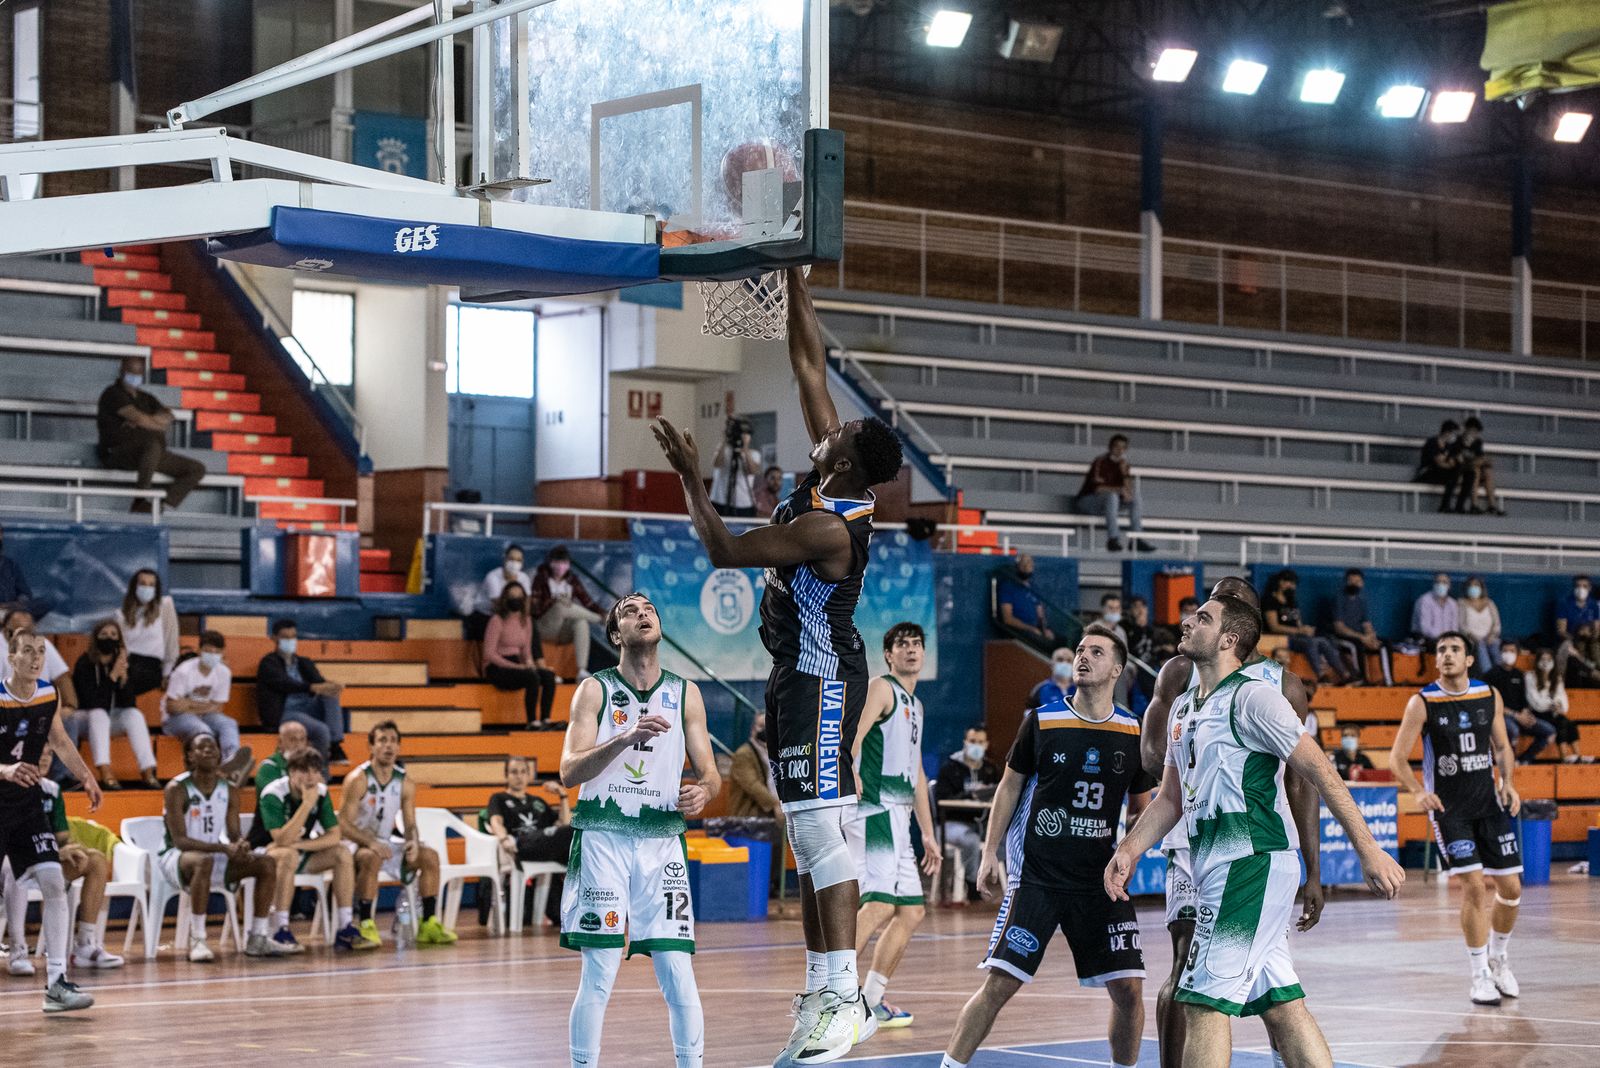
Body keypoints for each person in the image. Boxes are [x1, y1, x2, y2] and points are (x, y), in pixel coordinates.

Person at [651, 268, 905, 1064]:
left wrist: (691, 478)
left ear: (849, 464)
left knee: (827, 840)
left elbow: (725, 547)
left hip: (829, 680)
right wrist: (795, 280)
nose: (825, 428)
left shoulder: (833, 527)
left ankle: (846, 998)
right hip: (797, 676)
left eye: (839, 431)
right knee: (808, 831)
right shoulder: (833, 468)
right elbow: (808, 365)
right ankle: (824, 992)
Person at [1108, 597, 1404, 1067]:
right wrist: (1130, 848)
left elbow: (1321, 772)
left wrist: (1368, 849)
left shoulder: (1255, 698)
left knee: (1202, 1004)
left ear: (1229, 640)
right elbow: (1170, 800)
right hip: (1217, 866)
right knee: (1282, 1006)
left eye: (1202, 618)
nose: (1188, 621)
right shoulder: (1184, 706)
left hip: (1252, 861)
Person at [940, 625, 1154, 1068]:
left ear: (1117, 668)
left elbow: (1143, 807)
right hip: (1038, 875)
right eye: (1079, 649)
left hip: (1098, 881)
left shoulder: (1133, 732)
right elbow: (1009, 785)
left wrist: (1130, 850)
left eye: (1096, 652)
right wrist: (990, 852)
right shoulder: (1042, 720)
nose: (1082, 657)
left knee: (1130, 988)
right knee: (1000, 983)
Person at [1137, 577, 1323, 1068]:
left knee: (1210, 993)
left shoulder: (1278, 687)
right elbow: (1157, 761)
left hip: (1249, 846)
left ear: (1243, 627)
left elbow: (1307, 780)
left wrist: (1315, 870)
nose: (1210, 612)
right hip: (1191, 837)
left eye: (1231, 605)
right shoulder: (1180, 674)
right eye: (1213, 602)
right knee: (1192, 969)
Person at [558, 593, 720, 1068]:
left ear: (660, 627)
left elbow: (710, 772)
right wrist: (625, 738)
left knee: (677, 969)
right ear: (615, 635)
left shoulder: (686, 692)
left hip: (661, 842)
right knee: (600, 970)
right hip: (603, 837)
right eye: (629, 611)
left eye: (648, 609)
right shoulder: (594, 690)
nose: (642, 614)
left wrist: (704, 792)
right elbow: (569, 772)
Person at [1388, 632, 1521, 1005]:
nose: (1446, 655)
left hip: (1489, 805)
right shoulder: (1422, 702)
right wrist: (1417, 791)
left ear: (1469, 660)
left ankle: (1499, 959)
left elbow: (1502, 747)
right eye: (1441, 650)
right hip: (1451, 811)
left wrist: (1508, 782)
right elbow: (1397, 758)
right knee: (1475, 887)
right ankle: (1478, 975)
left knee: (1511, 889)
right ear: (1436, 661)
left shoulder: (1488, 694)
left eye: (1454, 650)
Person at [0, 627, 102, 1011]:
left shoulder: (47, 693)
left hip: (26, 807)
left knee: (54, 882)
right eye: (27, 651)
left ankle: (56, 983)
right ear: (12, 659)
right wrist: (6, 770)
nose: (36, 657)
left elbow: (58, 740)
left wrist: (86, 775)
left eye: (40, 651)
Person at [847, 623, 940, 1030]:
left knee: (912, 912)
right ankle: (831, 996)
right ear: (888, 654)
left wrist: (929, 833)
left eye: (917, 644)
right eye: (902, 644)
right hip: (874, 808)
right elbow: (851, 734)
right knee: (881, 903)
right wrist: (849, 766)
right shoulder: (880, 688)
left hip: (900, 816)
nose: (911, 650)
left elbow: (917, 773)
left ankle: (871, 999)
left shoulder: (916, 706)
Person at [160, 733, 294, 960]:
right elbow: (180, 840)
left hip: (212, 857)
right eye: (201, 748)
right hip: (176, 859)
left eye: (213, 747)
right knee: (203, 861)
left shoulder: (229, 789)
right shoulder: (177, 788)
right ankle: (199, 939)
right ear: (190, 756)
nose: (209, 751)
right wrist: (224, 849)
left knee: (266, 863)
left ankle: (258, 937)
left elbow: (233, 834)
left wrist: (240, 846)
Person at [339, 721, 456, 947]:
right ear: (371, 747)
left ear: (399, 748)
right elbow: (343, 824)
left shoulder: (405, 782)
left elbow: (410, 823)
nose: (388, 746)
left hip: (385, 842)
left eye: (393, 741)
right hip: (355, 844)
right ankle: (366, 925)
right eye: (382, 741)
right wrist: (370, 842)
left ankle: (428, 923)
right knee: (371, 856)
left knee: (429, 856)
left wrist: (412, 841)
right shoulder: (358, 779)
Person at [3, 753, 123, 973]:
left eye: (49, 753)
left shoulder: (52, 789)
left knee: (95, 859)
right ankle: (18, 952)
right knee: (14, 867)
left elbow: (61, 837)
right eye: (39, 752)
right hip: (13, 861)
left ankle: (85, 945)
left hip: (44, 858)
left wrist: (67, 850)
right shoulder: (9, 785)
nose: (45, 757)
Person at [248, 746, 364, 951]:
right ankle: (281, 929)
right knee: (288, 855)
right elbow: (281, 838)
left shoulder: (321, 792)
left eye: (315, 771)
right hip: (262, 854)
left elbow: (334, 835)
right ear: (292, 772)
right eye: (304, 771)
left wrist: (300, 844)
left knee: (342, 853)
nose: (310, 777)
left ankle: (345, 926)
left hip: (296, 850)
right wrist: (306, 805)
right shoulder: (273, 793)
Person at [96, 356, 207, 512]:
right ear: (121, 372)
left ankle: (161, 506)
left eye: (139, 374)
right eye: (131, 373)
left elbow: (168, 416)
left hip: (149, 454)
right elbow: (140, 418)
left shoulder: (146, 398)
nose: (135, 378)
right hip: (117, 453)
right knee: (152, 442)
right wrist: (151, 423)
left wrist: (147, 421)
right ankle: (140, 500)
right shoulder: (112, 394)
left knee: (196, 469)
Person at [66, 619, 159, 791]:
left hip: (110, 719)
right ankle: (104, 770)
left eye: (113, 635)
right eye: (104, 634)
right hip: (84, 719)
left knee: (134, 715)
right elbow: (91, 701)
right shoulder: (85, 663)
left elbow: (129, 703)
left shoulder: (123, 663)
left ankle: (147, 771)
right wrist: (112, 677)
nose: (109, 638)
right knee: (98, 713)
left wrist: (123, 681)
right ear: (96, 638)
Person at [486, 755, 572, 927]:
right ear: (506, 775)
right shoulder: (499, 798)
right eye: (514, 772)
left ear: (529, 775)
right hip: (520, 844)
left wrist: (563, 796)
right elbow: (495, 822)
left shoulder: (538, 802)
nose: (519, 776)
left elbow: (563, 823)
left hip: (543, 846)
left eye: (523, 772)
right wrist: (503, 839)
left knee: (573, 833)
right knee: (571, 831)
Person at [163, 630, 252, 779]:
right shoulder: (183, 671)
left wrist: (188, 703)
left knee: (229, 724)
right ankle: (210, 770)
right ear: (199, 650)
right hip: (175, 719)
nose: (211, 655)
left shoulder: (224, 672)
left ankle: (232, 764)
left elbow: (218, 707)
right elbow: (171, 706)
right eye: (207, 651)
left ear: (222, 653)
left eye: (216, 652)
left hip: (205, 715)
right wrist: (204, 705)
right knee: (203, 730)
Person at [255, 619, 347, 763]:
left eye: (293, 637)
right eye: (285, 637)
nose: (290, 640)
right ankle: (321, 772)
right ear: (274, 638)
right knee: (321, 730)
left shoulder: (303, 662)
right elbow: (285, 683)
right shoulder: (268, 663)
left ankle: (335, 744)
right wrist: (311, 687)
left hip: (307, 709)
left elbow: (318, 682)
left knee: (330, 694)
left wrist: (332, 685)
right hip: (284, 713)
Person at [934, 725, 1001, 903]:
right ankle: (972, 885)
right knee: (970, 840)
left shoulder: (990, 769)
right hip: (950, 824)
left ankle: (1012, 889)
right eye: (972, 742)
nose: (976, 746)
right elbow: (941, 799)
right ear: (965, 742)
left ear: (986, 745)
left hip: (981, 823)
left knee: (1006, 838)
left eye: (980, 742)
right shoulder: (950, 768)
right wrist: (970, 795)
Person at [482, 581, 559, 729]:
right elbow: (489, 654)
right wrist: (518, 667)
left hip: (518, 663)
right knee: (531, 677)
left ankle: (546, 719)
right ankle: (532, 722)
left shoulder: (527, 621)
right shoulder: (496, 620)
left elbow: (526, 650)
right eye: (512, 596)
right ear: (505, 599)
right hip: (497, 667)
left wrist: (529, 663)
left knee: (548, 676)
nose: (515, 599)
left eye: (519, 596)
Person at [726, 713, 785, 892]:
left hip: (772, 811)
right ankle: (769, 885)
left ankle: (775, 883)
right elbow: (752, 785)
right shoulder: (743, 754)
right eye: (761, 726)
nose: (765, 730)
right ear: (753, 729)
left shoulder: (774, 751)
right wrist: (776, 804)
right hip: (750, 813)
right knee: (775, 833)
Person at [1264, 569, 1353, 685]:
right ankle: (1320, 675)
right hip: (1283, 638)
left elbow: (1298, 623)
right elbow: (1274, 626)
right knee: (1311, 643)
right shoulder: (1270, 600)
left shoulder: (1292, 601)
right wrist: (1299, 630)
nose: (1291, 586)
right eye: (1288, 582)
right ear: (1280, 583)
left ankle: (1345, 674)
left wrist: (1305, 630)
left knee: (1323, 641)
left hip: (1297, 636)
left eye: (1293, 584)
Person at [529, 546, 606, 681]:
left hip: (562, 631)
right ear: (550, 563)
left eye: (564, 563)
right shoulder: (541, 579)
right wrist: (553, 601)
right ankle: (600, 620)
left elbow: (587, 602)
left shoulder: (572, 581)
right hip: (544, 626)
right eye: (557, 563)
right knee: (560, 606)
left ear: (569, 565)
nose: (560, 567)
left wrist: (602, 612)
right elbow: (534, 610)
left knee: (581, 622)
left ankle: (581, 670)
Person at [1073, 433, 1152, 553]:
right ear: (1110, 447)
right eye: (1117, 447)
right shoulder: (1100, 461)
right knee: (1112, 497)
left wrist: (1124, 473)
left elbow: (1128, 491)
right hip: (1088, 501)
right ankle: (1113, 539)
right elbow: (1098, 489)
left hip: (1109, 505)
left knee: (1136, 498)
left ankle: (1137, 539)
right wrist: (1120, 490)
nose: (1120, 450)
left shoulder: (1124, 465)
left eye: (1123, 448)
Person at [1484, 644, 1555, 764]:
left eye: (1512, 651)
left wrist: (1526, 715)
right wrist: (1515, 715)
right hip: (1500, 716)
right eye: (1505, 650)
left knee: (1549, 731)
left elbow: (1523, 701)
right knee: (1513, 730)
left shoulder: (1519, 674)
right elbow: (1490, 703)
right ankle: (1507, 761)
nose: (1508, 654)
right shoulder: (1491, 674)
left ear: (1517, 653)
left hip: (1519, 715)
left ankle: (1524, 760)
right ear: (1500, 653)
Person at [114, 568, 178, 697]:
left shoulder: (165, 606)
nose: (146, 588)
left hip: (151, 666)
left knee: (127, 686)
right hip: (128, 663)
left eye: (151, 585)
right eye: (142, 584)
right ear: (134, 587)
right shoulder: (121, 614)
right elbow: (120, 646)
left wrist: (167, 673)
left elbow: (171, 640)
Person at [0, 610, 78, 712]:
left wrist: (69, 706)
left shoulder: (42, 644)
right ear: (6, 631)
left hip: (42, 709)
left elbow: (62, 677)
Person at [1328, 568, 1393, 686]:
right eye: (1351, 581)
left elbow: (1366, 623)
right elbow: (1339, 627)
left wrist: (1371, 637)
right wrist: (1362, 638)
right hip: (1341, 638)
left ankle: (1389, 681)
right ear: (1346, 582)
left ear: (1362, 583)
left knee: (1385, 644)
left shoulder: (1361, 600)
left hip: (1361, 636)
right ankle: (1361, 679)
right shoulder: (1339, 599)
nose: (1354, 584)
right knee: (1356, 646)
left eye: (1357, 581)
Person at [1525, 651, 1589, 764]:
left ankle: (1578, 756)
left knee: (1570, 723)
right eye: (1543, 659)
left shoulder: (1557, 678)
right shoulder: (1530, 676)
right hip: (1537, 714)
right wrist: (1553, 703)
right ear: (1538, 662)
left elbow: (1563, 701)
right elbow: (1536, 703)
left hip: (1553, 714)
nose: (1545, 663)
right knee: (1562, 722)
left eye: (1549, 660)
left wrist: (1558, 704)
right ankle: (1564, 757)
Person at [993, 553, 1054, 653]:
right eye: (1024, 563)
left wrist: (1045, 629)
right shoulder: (1007, 587)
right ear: (1017, 566)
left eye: (1029, 563)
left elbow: (1040, 614)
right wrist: (1030, 629)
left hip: (1036, 629)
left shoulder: (1033, 588)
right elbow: (1007, 619)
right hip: (1017, 631)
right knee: (1045, 644)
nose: (1027, 566)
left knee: (1062, 640)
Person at [468, 544, 527, 641]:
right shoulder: (493, 577)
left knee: (529, 624)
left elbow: (526, 603)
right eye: (511, 559)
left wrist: (525, 621)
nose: (514, 563)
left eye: (518, 560)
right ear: (505, 560)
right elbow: (499, 606)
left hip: (511, 615)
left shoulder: (524, 578)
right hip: (485, 615)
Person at [709, 416, 763, 518]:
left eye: (745, 433)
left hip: (744, 504)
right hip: (719, 501)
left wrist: (745, 448)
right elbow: (716, 463)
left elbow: (752, 471)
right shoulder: (724, 450)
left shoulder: (754, 454)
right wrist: (724, 439)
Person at [1554, 574, 1600, 686]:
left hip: (1590, 640)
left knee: (1595, 646)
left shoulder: (1593, 604)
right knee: (1570, 649)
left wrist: (1590, 634)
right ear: (1574, 587)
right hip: (1572, 639)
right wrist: (1576, 636)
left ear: (1589, 588)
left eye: (1584, 586)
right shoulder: (1564, 603)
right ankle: (1592, 672)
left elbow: (1597, 628)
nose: (1581, 589)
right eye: (1578, 586)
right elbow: (1561, 631)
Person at [1451, 418, 1503, 516]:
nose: (1473, 434)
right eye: (1472, 431)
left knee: (1488, 471)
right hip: (1461, 472)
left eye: (1476, 432)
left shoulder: (1477, 442)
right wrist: (1475, 461)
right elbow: (1458, 459)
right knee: (1474, 470)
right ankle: (1474, 504)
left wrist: (1484, 460)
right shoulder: (1457, 441)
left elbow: (1480, 457)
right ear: (1466, 429)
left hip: (1472, 468)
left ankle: (1492, 505)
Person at [1414, 419, 1465, 512]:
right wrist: (1448, 463)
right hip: (1429, 472)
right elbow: (1438, 462)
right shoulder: (1432, 442)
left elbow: (1453, 462)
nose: (1454, 437)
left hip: (1443, 474)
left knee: (1457, 473)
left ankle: (1447, 505)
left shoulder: (1450, 446)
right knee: (1454, 474)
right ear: (1446, 432)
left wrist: (1450, 463)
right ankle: (1445, 505)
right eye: (1453, 433)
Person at [0, 523, 48, 617]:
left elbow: (25, 593)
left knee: (44, 603)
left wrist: (18, 603)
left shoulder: (11, 565)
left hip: (10, 612)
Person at [1457, 577, 1502, 674]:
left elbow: (1497, 623)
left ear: (1481, 588)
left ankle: (1501, 673)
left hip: (1490, 637)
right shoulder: (1462, 603)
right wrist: (1473, 637)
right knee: (1480, 646)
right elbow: (1461, 625)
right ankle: (1488, 674)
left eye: (1476, 585)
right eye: (1471, 586)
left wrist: (1492, 635)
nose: (1473, 588)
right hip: (1471, 638)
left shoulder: (1489, 603)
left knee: (1497, 645)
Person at [255, 720, 309, 793]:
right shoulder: (268, 767)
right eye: (293, 740)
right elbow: (273, 797)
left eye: (302, 740)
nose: (298, 745)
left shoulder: (312, 767)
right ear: (280, 742)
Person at [1412, 573, 1460, 649]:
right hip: (1427, 638)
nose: (1441, 585)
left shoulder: (1452, 604)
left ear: (1449, 586)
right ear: (1433, 584)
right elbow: (1425, 628)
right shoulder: (1424, 601)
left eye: (1444, 582)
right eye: (1438, 582)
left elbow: (1454, 627)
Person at [1025, 648, 1074, 712]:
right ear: (1052, 663)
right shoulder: (1040, 689)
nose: (1065, 663)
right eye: (1060, 659)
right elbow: (1029, 716)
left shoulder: (1079, 689)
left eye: (1069, 661)